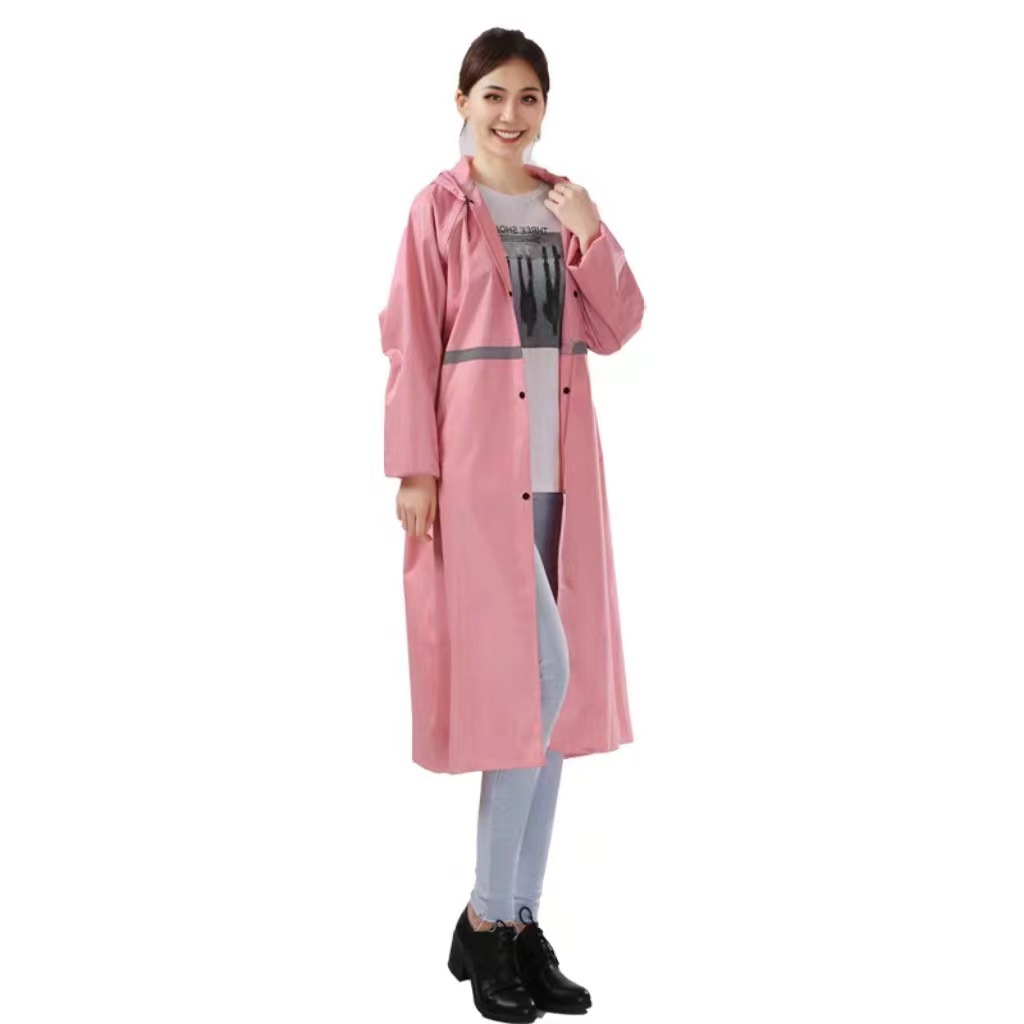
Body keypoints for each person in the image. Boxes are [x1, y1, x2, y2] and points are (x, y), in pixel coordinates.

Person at [379, 27, 645, 1023]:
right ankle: (488, 918)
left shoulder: (562, 203)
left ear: (544, 108)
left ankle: (517, 922)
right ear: (462, 101)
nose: (509, 114)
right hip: (478, 482)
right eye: (493, 94)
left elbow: (618, 326)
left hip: (563, 481)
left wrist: (594, 231)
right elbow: (410, 342)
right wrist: (414, 467)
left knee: (552, 708)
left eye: (527, 97)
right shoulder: (438, 210)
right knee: (536, 682)